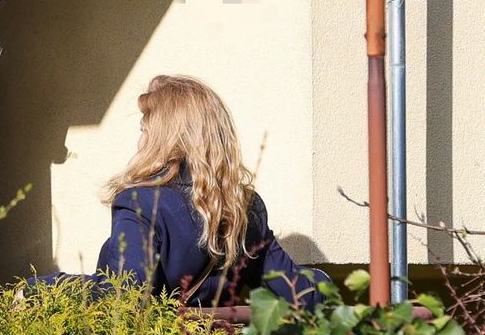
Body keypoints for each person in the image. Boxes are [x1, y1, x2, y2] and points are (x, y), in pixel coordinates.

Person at [39, 75, 328, 309]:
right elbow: (302, 295)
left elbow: (123, 295)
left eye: (144, 130)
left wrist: (41, 287)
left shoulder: (141, 203)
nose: (140, 142)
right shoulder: (245, 208)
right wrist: (325, 279)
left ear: (163, 138)